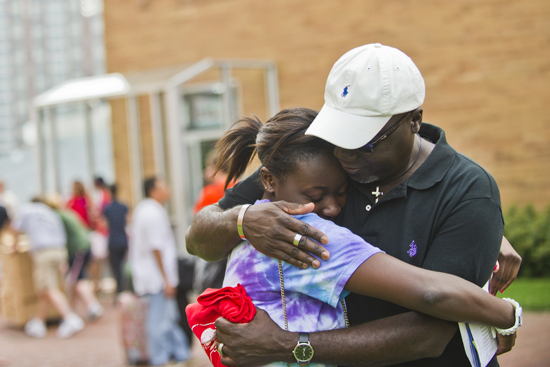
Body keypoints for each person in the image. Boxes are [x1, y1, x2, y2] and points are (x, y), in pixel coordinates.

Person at [186, 44, 522, 366]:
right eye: (339, 131)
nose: (345, 152)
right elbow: (199, 238)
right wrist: (241, 220)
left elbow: (429, 335)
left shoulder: (466, 191)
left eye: (365, 139)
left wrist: (290, 345)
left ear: (413, 120)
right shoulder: (317, 164)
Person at [129, 177, 190, 366]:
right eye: (163, 186)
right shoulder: (152, 213)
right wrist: (166, 280)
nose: (168, 189)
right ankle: (161, 359)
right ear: (153, 190)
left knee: (168, 317)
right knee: (159, 321)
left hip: (152, 276)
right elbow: (156, 248)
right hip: (156, 278)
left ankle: (181, 354)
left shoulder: (146, 210)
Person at [11, 198, 84, 339]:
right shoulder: (50, 212)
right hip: (59, 250)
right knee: (44, 289)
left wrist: (14, 246)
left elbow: (15, 229)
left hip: (43, 252)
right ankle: (39, 322)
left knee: (48, 288)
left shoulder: (26, 209)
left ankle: (70, 317)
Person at [42, 196, 104, 321]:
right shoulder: (66, 213)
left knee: (78, 279)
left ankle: (93, 306)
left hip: (77, 249)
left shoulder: (56, 216)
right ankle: (72, 309)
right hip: (83, 246)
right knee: (74, 279)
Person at [103, 184, 129, 295]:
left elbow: (103, 224)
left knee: (116, 267)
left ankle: (120, 288)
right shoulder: (124, 207)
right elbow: (128, 221)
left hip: (113, 240)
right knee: (123, 265)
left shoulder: (107, 209)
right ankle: (125, 287)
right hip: (123, 239)